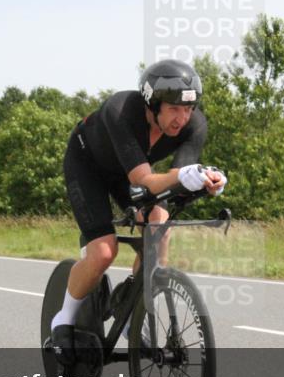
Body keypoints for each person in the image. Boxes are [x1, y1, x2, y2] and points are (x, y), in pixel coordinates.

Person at [52, 59, 226, 358]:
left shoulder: (193, 125)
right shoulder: (121, 110)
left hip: (127, 171)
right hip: (88, 167)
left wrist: (208, 180)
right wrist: (185, 176)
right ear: (152, 104)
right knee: (103, 252)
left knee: (160, 223)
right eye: (174, 109)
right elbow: (144, 180)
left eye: (189, 108)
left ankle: (134, 308)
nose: (182, 118)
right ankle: (62, 320)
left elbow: (177, 179)